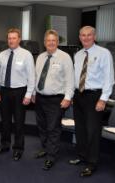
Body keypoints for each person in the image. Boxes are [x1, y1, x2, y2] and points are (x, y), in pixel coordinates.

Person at [69, 26, 115, 177]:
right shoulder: (78, 54)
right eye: (83, 35)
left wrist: (103, 99)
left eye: (89, 35)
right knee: (80, 128)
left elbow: (109, 79)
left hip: (95, 96)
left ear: (94, 36)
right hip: (79, 95)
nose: (86, 37)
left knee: (93, 130)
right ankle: (82, 156)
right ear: (79, 37)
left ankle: (92, 162)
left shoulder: (104, 53)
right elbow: (76, 78)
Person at [33, 30, 74, 170]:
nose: (51, 43)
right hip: (40, 98)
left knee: (53, 128)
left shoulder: (65, 57)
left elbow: (70, 80)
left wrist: (68, 97)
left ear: (57, 42)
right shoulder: (40, 57)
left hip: (56, 100)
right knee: (42, 126)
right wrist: (33, 93)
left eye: (53, 40)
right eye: (48, 40)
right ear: (44, 42)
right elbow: (36, 77)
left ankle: (51, 156)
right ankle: (45, 148)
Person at [0, 28, 35, 161]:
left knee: (19, 122)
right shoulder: (2, 55)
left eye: (14, 38)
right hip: (4, 91)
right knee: (5, 121)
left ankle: (18, 148)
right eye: (9, 38)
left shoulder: (26, 55)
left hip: (20, 91)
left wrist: (29, 94)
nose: (11, 40)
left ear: (19, 39)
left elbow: (31, 76)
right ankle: (5, 144)